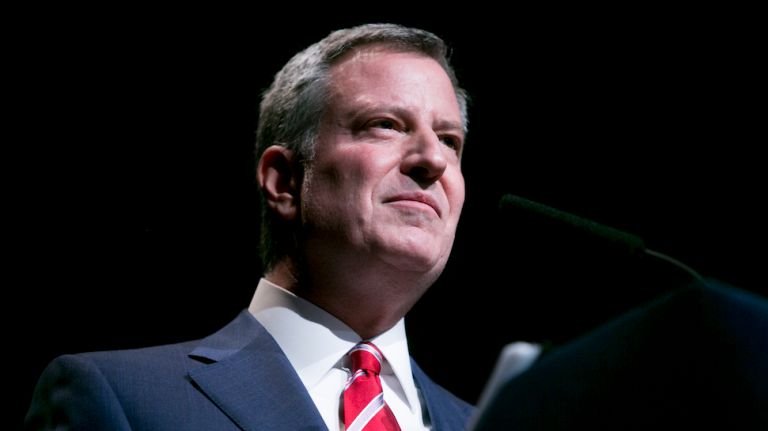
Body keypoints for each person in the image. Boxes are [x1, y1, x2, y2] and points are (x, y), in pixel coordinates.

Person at [26, 23, 474, 430]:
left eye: (449, 140)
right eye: (385, 125)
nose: (433, 160)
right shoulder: (121, 398)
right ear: (284, 180)